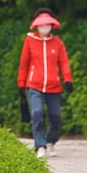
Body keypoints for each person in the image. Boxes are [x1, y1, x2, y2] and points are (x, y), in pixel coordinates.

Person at [17, 8, 73, 159]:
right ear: (36, 26)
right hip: (34, 86)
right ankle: (40, 145)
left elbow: (64, 63)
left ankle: (51, 141)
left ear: (51, 26)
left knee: (56, 118)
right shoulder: (29, 41)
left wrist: (68, 79)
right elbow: (24, 64)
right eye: (41, 25)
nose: (44, 28)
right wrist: (21, 84)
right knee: (37, 114)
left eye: (47, 25)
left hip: (54, 87)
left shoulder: (57, 43)